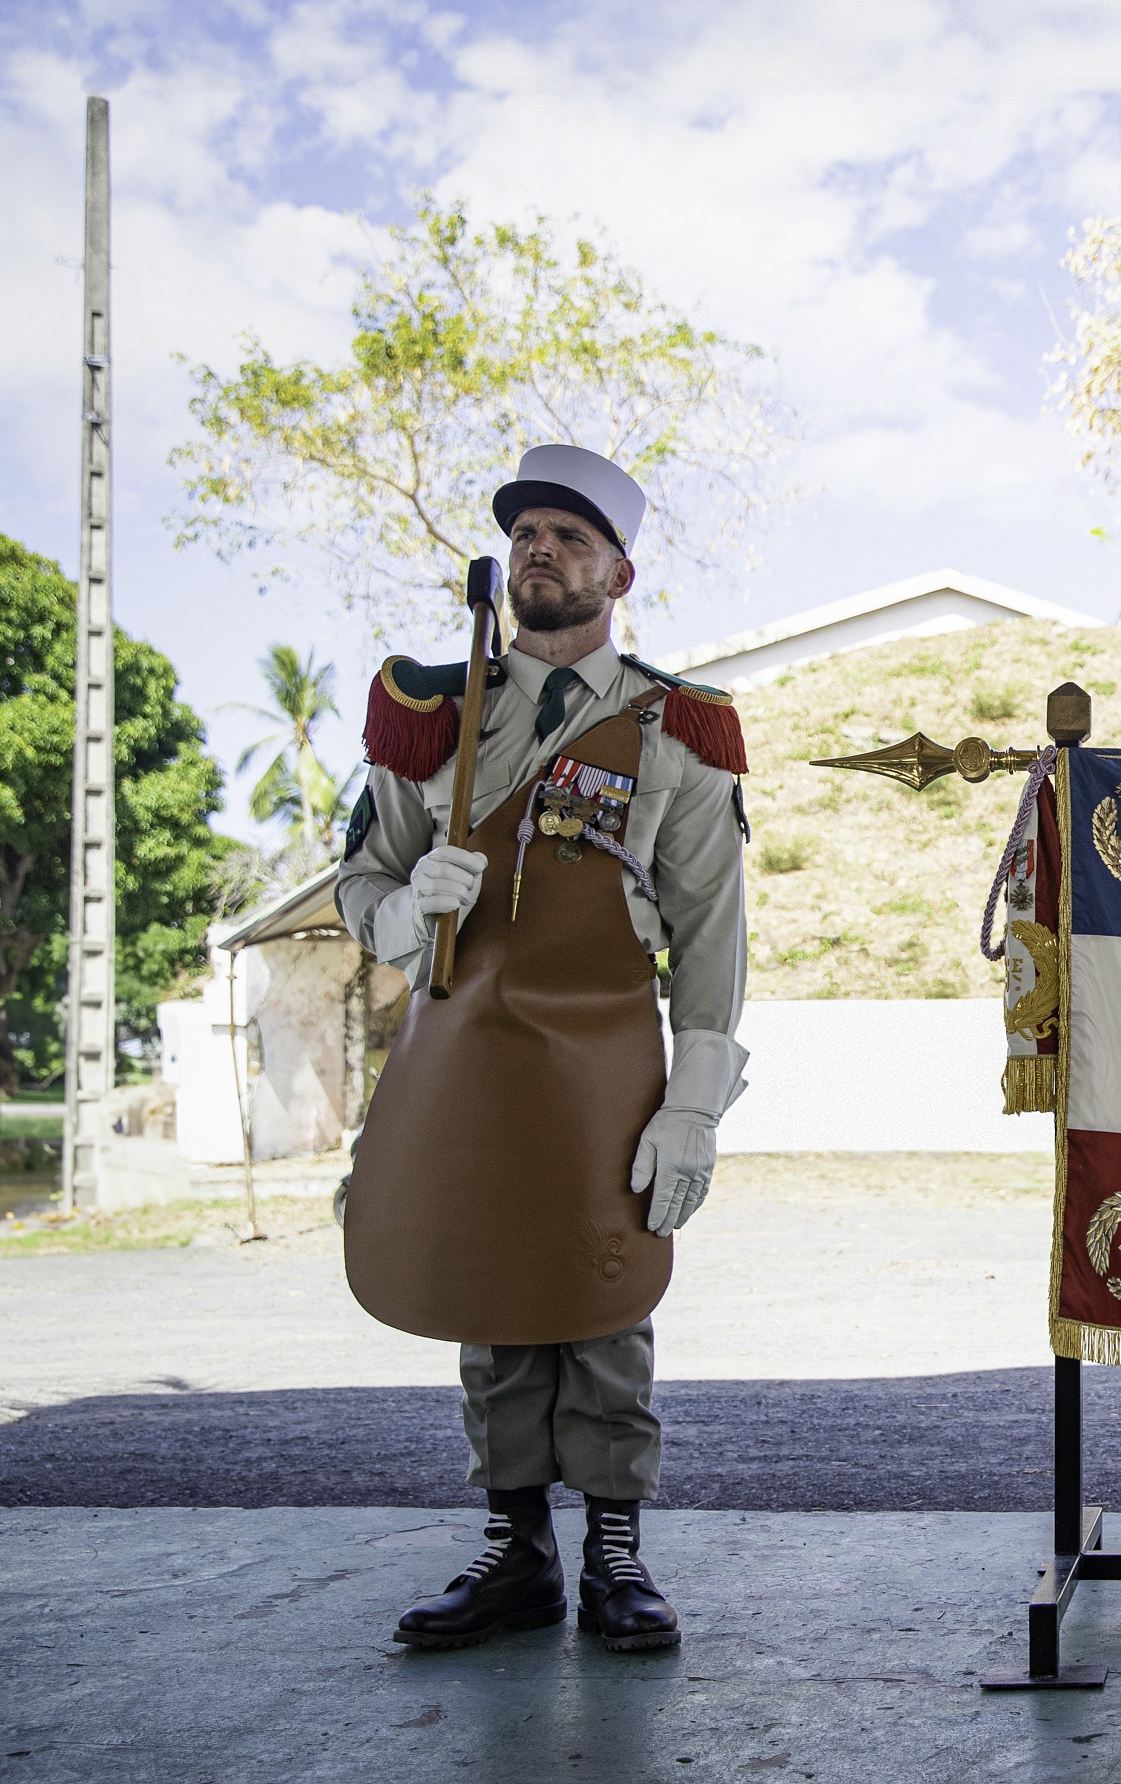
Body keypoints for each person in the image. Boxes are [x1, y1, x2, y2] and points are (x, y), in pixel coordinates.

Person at [335, 444, 751, 1653]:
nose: (540, 551)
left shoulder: (678, 729)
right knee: (492, 1288)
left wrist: (698, 1099)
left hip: (606, 1050)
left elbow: (711, 926)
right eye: (525, 533)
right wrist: (408, 911)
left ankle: (615, 1547)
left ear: (618, 571)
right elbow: (360, 877)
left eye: (569, 537)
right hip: (467, 1042)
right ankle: (516, 1547)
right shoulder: (430, 714)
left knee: (601, 1285)